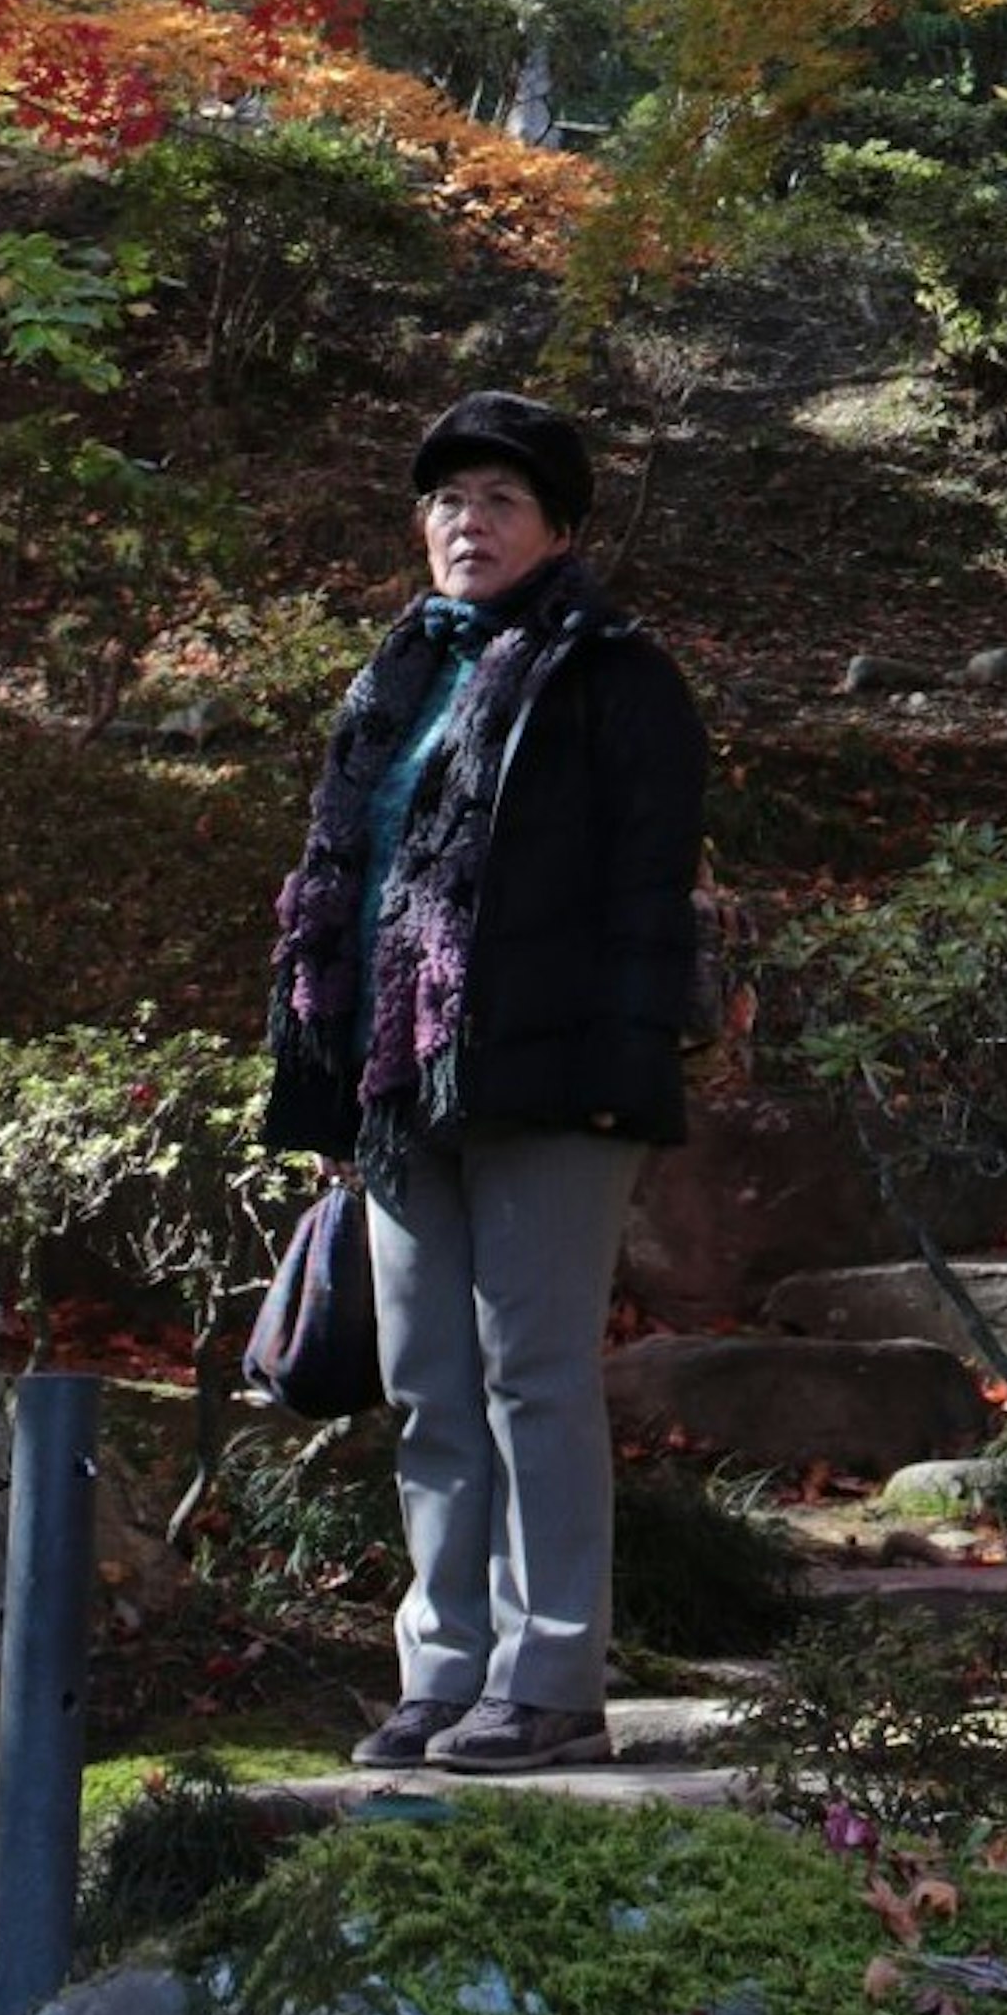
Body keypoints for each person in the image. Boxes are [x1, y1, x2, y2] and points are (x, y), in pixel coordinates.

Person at [264, 386, 706, 1772]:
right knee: (430, 1385)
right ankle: (444, 1670)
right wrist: (331, 1084)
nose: (468, 520)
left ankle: (554, 1673)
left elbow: (650, 897)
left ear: (559, 526)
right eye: (448, 500)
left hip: (554, 1080)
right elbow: (348, 893)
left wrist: (621, 1075)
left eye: (501, 500)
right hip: (406, 1089)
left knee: (533, 1374)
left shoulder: (613, 675)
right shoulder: (392, 677)